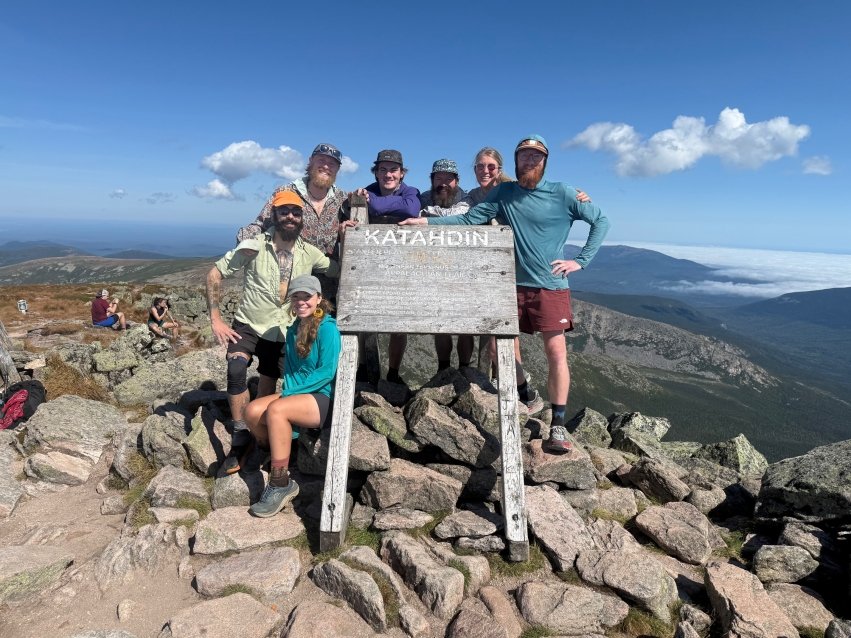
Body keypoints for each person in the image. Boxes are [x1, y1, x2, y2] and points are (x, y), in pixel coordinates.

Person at [400, 134, 610, 454]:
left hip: (550, 286)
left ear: (544, 162)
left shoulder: (564, 193)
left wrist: (580, 261)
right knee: (502, 353)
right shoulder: (505, 193)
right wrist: (426, 223)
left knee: (556, 353)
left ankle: (558, 424)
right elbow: (471, 219)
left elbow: (601, 221)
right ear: (516, 161)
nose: (530, 161)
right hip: (510, 284)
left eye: (536, 157)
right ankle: (526, 394)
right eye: (524, 156)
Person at [206, 190, 338, 475]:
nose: (290, 216)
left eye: (296, 212)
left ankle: (264, 443)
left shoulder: (309, 252)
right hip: (251, 323)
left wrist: (352, 235)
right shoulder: (253, 246)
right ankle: (241, 437)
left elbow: (338, 269)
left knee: (270, 379)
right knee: (236, 368)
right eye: (284, 211)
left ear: (302, 218)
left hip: (283, 330)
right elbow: (215, 273)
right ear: (274, 215)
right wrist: (216, 318)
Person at [243, 274, 341, 517]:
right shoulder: (293, 330)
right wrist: (289, 394)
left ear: (318, 299)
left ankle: (279, 482)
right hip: (296, 395)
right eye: (295, 297)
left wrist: (288, 395)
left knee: (276, 409)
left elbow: (326, 372)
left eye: (306, 297)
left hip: (321, 398)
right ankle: (276, 449)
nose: (301, 302)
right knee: (252, 411)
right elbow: (291, 371)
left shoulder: (328, 328)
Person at [342, 149, 420, 383]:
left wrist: (374, 203)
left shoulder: (410, 192)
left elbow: (410, 209)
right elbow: (352, 210)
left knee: (400, 324)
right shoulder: (365, 191)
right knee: (365, 318)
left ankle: (393, 373)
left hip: (403, 267)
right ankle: (366, 368)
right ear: (376, 172)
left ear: (402, 173)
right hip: (370, 267)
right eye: (382, 169)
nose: (388, 174)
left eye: (393, 170)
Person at [237, 143, 348, 301]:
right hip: (290, 284)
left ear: (337, 169)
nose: (326, 166)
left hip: (329, 286)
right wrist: (246, 240)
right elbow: (261, 224)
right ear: (311, 161)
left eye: (332, 163)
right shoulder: (286, 192)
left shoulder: (342, 199)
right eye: (321, 160)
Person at [418, 159, 475, 372]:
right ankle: (443, 369)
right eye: (438, 178)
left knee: (466, 325)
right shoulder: (422, 197)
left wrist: (426, 215)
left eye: (448, 179)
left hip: (464, 270)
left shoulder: (467, 198)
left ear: (457, 181)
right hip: (433, 268)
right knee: (439, 323)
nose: (443, 183)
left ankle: (464, 369)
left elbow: (461, 215)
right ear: (432, 180)